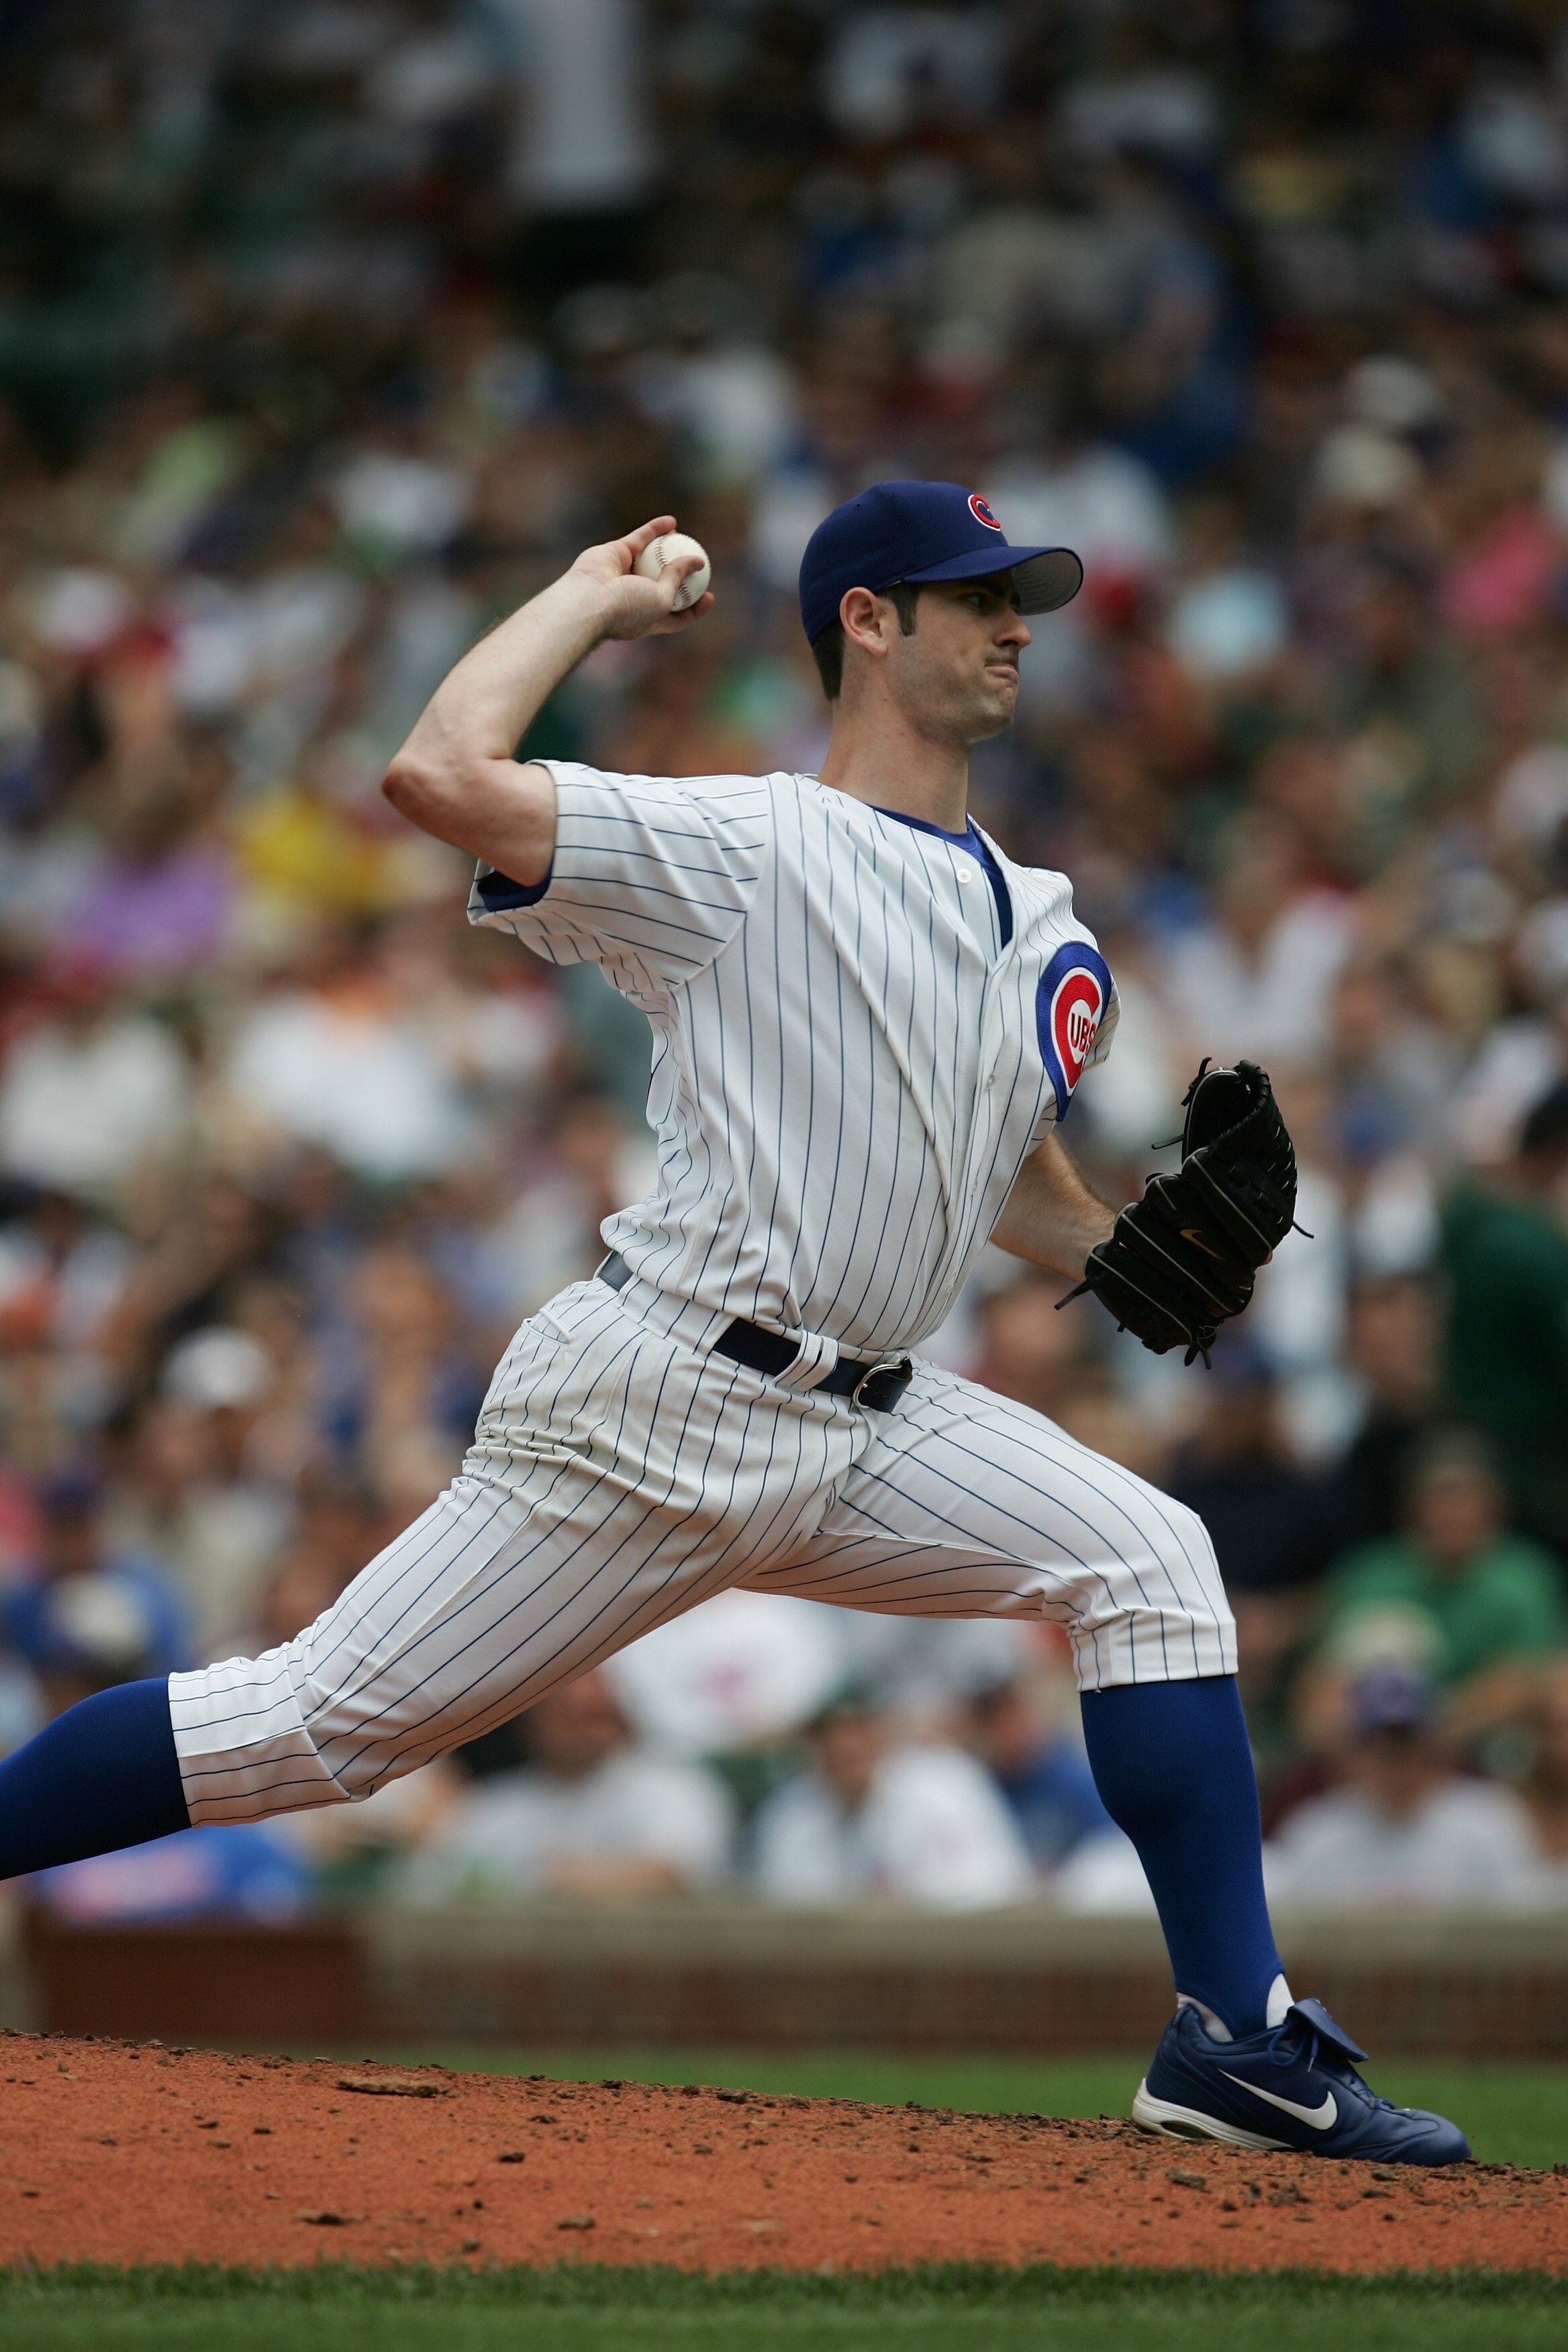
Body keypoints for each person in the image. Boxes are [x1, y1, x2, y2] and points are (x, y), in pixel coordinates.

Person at [0, 485, 1468, 2163]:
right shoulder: (742, 840)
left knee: (1149, 1562)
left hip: (873, 1422)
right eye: (970, 596)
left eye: (1021, 599)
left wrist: (1150, 1243)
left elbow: (998, 1178)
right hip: (659, 1399)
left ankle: (1236, 2043)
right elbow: (436, 773)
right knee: (311, 1726)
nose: (1012, 626)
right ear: (865, 618)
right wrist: (584, 596)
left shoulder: (1040, 912)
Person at [1301, 1429, 1567, 1755]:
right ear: (1411, 1506)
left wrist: (1435, 1726)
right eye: (1438, 1497)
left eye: (1466, 1497)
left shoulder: (1524, 1577)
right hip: (1375, 1749)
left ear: (1494, 1505)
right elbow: (1323, 1686)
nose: (1452, 1511)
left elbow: (1532, 1677)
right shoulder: (1370, 1576)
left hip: (1489, 1751)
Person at [400, 1668, 732, 1902]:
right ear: (530, 1724)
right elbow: (427, 1886)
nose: (583, 1727)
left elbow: (675, 1876)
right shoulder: (495, 1806)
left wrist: (563, 1881)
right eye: (564, 1713)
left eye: (593, 1713)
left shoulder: (673, 1786)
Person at [1267, 1667, 1546, 1914]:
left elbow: (1524, 1923)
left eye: (1409, 1745)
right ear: (1353, 1753)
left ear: (1436, 1748)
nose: (1397, 1763)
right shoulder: (1316, 1834)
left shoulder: (1491, 1821)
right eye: (1381, 1747)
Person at [752, 1682, 1032, 1912]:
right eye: (829, 1735)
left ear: (881, 1731)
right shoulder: (791, 1818)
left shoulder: (943, 1784)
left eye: (857, 1729)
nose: (844, 1745)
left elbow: (992, 1891)